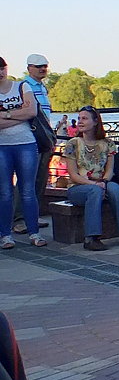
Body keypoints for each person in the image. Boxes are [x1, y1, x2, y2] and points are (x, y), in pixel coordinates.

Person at [63, 106, 119, 251]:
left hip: (101, 183)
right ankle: (91, 238)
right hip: (78, 187)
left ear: (95, 122)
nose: (80, 121)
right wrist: (94, 184)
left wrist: (104, 182)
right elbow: (73, 175)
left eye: (85, 118)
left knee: (115, 189)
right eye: (80, 118)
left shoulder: (107, 143)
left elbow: (109, 169)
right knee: (94, 191)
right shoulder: (72, 144)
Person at [0, 56, 48, 249]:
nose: (0, 72)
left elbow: (32, 111)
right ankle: (5, 234)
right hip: (2, 146)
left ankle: (34, 232)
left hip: (26, 143)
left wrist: (6, 114)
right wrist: (20, 113)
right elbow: (25, 113)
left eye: (2, 68)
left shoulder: (21, 87)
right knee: (4, 192)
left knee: (28, 191)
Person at [12, 54, 52, 235]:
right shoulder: (23, 87)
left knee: (40, 178)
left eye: (44, 66)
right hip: (30, 138)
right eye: (38, 66)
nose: (42, 69)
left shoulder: (42, 88)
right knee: (26, 179)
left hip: (44, 138)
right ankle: (19, 219)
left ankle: (32, 215)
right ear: (29, 68)